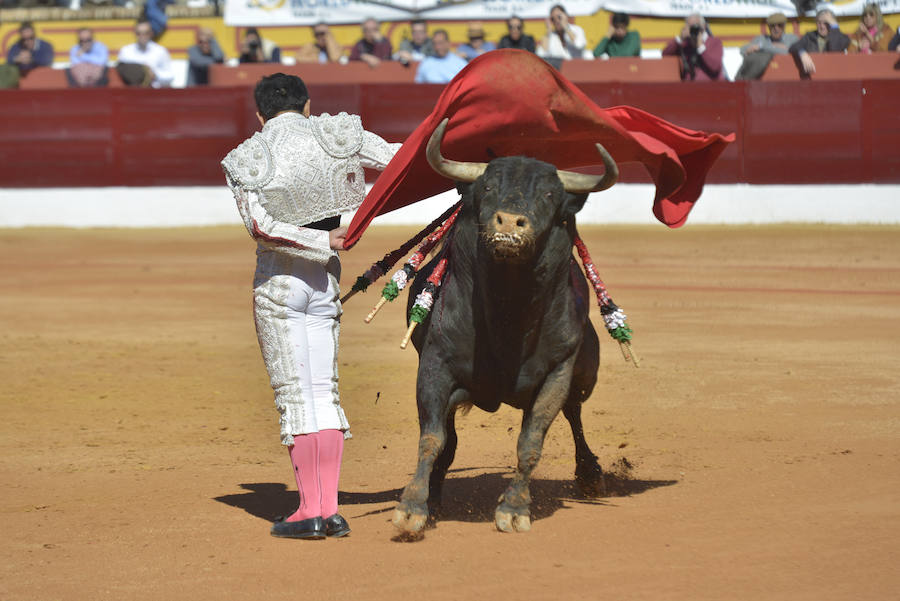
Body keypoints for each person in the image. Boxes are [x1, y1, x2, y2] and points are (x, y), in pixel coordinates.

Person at [222, 73, 400, 540]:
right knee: (325, 392)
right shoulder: (337, 134)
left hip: (280, 284)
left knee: (296, 396)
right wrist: (345, 229)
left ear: (259, 116)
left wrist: (320, 238)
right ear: (307, 106)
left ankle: (310, 512)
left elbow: (260, 226)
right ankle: (329, 509)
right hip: (324, 285)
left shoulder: (247, 157)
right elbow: (403, 163)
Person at [662, 12, 726, 81]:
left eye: (695, 26)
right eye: (690, 26)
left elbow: (715, 67)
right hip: (690, 88)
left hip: (711, 86)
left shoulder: (715, 42)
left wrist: (700, 46)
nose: (693, 30)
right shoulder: (685, 44)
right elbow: (665, 55)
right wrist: (680, 39)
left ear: (704, 26)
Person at [735, 12, 799, 80]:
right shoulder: (761, 38)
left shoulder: (792, 38)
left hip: (785, 77)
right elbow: (743, 49)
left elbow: (786, 51)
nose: (776, 28)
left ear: (784, 26)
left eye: (780, 25)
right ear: (768, 27)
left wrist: (761, 47)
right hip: (760, 79)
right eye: (772, 26)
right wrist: (774, 47)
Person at [789, 8, 850, 76]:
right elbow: (794, 47)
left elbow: (835, 49)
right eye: (819, 23)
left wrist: (834, 26)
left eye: (826, 23)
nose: (822, 26)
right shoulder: (810, 36)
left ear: (832, 23)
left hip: (833, 77)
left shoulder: (843, 38)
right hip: (813, 77)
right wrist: (802, 53)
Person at [117, 19, 174, 88]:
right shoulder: (126, 51)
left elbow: (170, 76)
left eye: (146, 33)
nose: (142, 36)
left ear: (151, 33)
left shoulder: (160, 51)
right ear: (135, 33)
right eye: (139, 33)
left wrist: (154, 74)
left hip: (155, 93)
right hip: (132, 92)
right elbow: (119, 76)